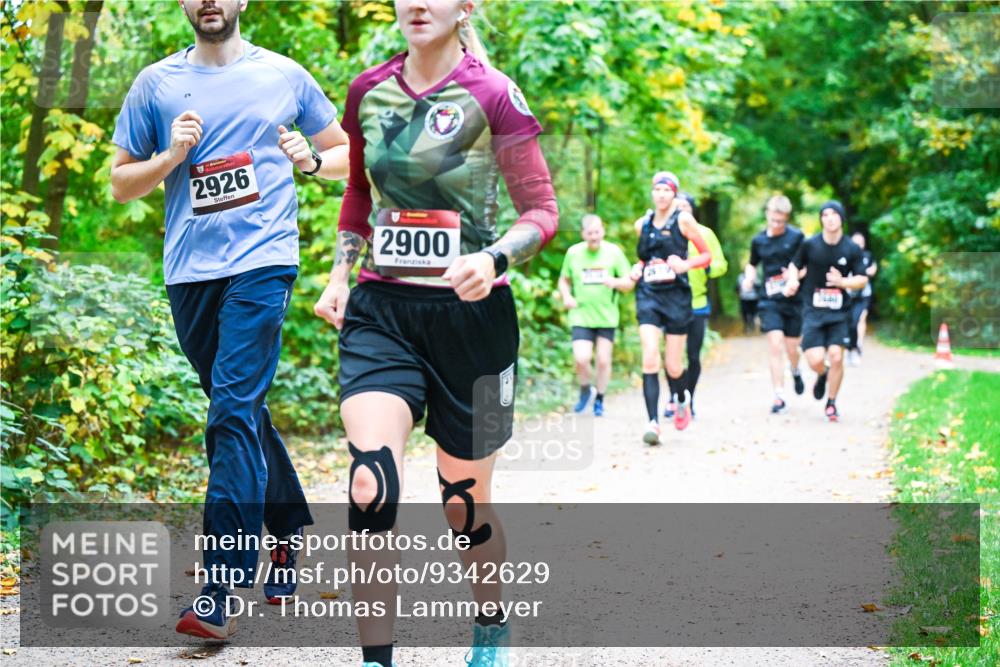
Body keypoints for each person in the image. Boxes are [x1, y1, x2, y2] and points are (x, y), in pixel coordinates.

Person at [311, 1, 558, 665]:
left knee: (463, 503)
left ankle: (490, 622)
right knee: (370, 483)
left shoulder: (494, 93)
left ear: (465, 6)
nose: (418, 4)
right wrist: (340, 275)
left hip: (475, 322)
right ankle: (376, 659)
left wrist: (493, 258)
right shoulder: (368, 90)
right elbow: (359, 194)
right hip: (382, 313)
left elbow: (542, 209)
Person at [110, 0, 349, 639]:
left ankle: (219, 587)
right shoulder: (155, 84)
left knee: (232, 412)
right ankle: (287, 528)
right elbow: (121, 183)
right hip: (190, 272)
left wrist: (308, 159)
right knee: (236, 409)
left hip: (264, 263)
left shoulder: (283, 74)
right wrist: (169, 157)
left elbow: (345, 157)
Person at [630, 173, 712, 445]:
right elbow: (644, 259)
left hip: (676, 296)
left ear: (674, 194)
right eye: (657, 189)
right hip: (649, 295)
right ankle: (652, 423)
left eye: (667, 190)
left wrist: (686, 265)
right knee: (649, 356)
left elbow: (706, 255)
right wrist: (636, 269)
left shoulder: (684, 220)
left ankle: (681, 397)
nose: (661, 194)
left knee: (674, 366)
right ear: (652, 193)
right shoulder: (643, 224)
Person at [785, 201, 868, 422]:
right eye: (825, 214)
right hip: (813, 310)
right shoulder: (810, 245)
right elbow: (794, 265)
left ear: (841, 218)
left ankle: (831, 403)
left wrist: (843, 282)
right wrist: (792, 280)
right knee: (815, 360)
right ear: (821, 219)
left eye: (834, 214)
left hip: (839, 312)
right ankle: (822, 374)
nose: (830, 218)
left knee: (836, 356)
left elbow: (862, 278)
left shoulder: (851, 248)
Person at [558, 214, 634, 416]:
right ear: (583, 234)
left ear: (603, 231)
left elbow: (629, 282)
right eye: (590, 233)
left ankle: (600, 398)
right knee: (581, 358)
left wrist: (614, 282)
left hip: (606, 316)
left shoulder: (613, 252)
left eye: (597, 232)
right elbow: (564, 280)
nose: (594, 236)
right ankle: (586, 389)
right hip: (581, 315)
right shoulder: (574, 253)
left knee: (603, 360)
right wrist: (567, 296)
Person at [661, 193, 727, 420]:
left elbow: (720, 263)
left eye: (685, 206)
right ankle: (674, 397)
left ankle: (689, 398)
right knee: (672, 355)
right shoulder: (665, 232)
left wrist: (705, 268)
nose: (681, 211)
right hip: (670, 301)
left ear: (692, 210)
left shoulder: (705, 234)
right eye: (677, 207)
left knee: (693, 355)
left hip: (696, 302)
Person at [741, 195, 806, 414]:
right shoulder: (758, 241)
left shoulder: (797, 237)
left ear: (787, 218)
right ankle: (779, 395)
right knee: (775, 344)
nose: (777, 225)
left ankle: (795, 370)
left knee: (792, 347)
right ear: (767, 214)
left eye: (782, 221)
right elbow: (752, 264)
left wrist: (795, 277)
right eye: (774, 220)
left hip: (794, 299)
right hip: (769, 299)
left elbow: (807, 265)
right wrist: (749, 278)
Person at [847, 231, 877, 365]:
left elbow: (873, 269)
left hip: (863, 294)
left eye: (860, 242)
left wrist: (868, 272)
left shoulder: (867, 256)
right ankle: (850, 346)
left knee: (860, 319)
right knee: (850, 322)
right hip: (848, 294)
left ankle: (858, 343)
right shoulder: (845, 255)